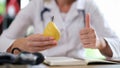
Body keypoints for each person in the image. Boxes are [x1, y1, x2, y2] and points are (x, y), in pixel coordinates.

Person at [0, 0, 120, 59]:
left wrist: (100, 43)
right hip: (44, 64)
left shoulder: (89, 5)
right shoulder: (37, 4)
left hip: (78, 65)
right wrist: (18, 44)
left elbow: (118, 45)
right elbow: (2, 41)